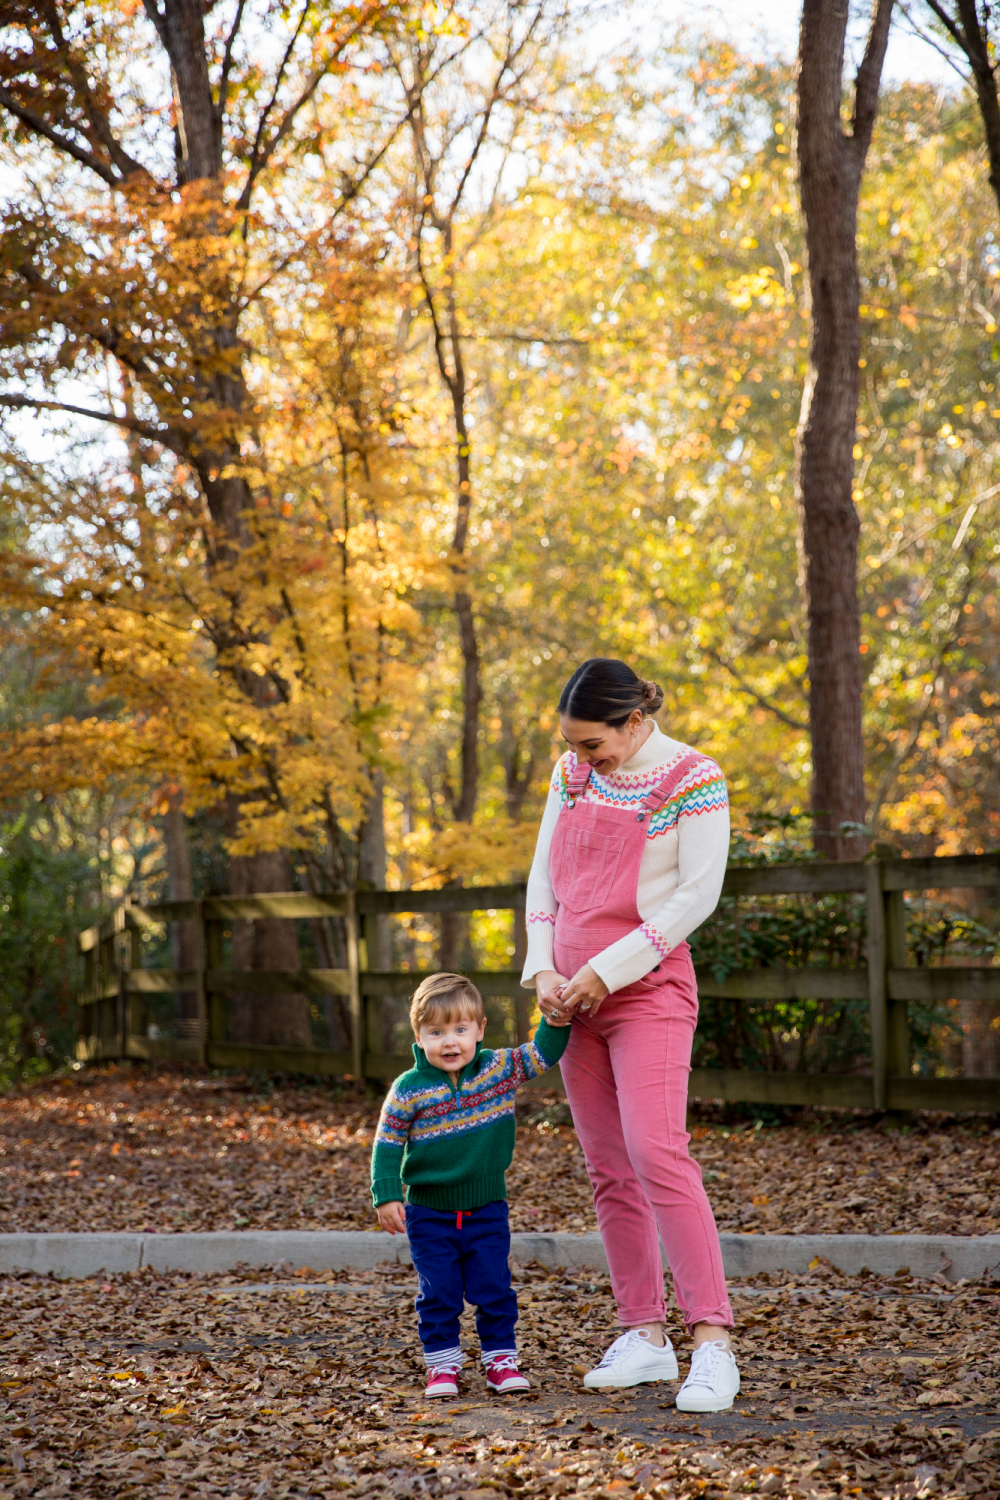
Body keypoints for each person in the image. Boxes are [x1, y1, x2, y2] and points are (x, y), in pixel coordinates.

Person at [522, 657, 739, 1413]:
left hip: (647, 992)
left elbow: (695, 896)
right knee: (608, 1167)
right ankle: (643, 1335)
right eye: (574, 744)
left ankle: (712, 1342)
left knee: (657, 1154)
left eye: (593, 744)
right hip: (570, 1001)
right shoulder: (570, 772)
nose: (583, 758)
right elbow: (544, 877)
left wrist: (605, 971)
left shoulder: (693, 777)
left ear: (635, 721)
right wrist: (543, 969)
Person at [370, 971, 570, 1398]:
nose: (450, 1042)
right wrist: (387, 1195)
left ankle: (500, 1360)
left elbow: (541, 1054)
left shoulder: (497, 1069)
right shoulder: (409, 1089)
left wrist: (554, 1020)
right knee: (439, 1290)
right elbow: (387, 1144)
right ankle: (443, 1366)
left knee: (492, 1285)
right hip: (429, 1214)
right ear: (419, 1036)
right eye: (436, 1032)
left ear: (480, 1029)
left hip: (486, 1208)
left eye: (460, 1029)